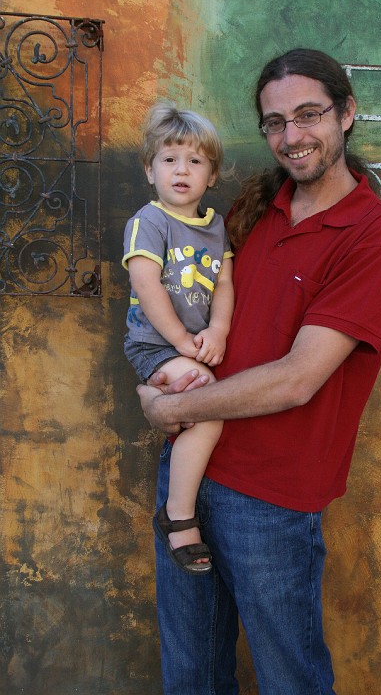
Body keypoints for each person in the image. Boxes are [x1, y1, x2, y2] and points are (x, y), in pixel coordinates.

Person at [137, 49, 381, 694]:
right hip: (189, 473)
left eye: (309, 114)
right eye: (275, 122)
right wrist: (162, 373)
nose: (292, 135)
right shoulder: (252, 209)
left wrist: (171, 409)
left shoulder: (374, 235)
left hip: (271, 500)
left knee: (291, 680)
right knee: (192, 677)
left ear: (346, 113)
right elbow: (186, 301)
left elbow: (297, 379)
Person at [123, 102, 234, 574]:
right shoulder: (148, 222)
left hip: (190, 346)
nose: (181, 170)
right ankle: (179, 516)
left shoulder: (215, 227)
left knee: (194, 412)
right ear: (151, 171)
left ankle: (160, 403)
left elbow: (224, 284)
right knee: (208, 405)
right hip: (156, 343)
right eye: (169, 160)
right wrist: (183, 342)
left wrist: (218, 329)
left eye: (194, 161)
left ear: (212, 174)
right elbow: (146, 286)